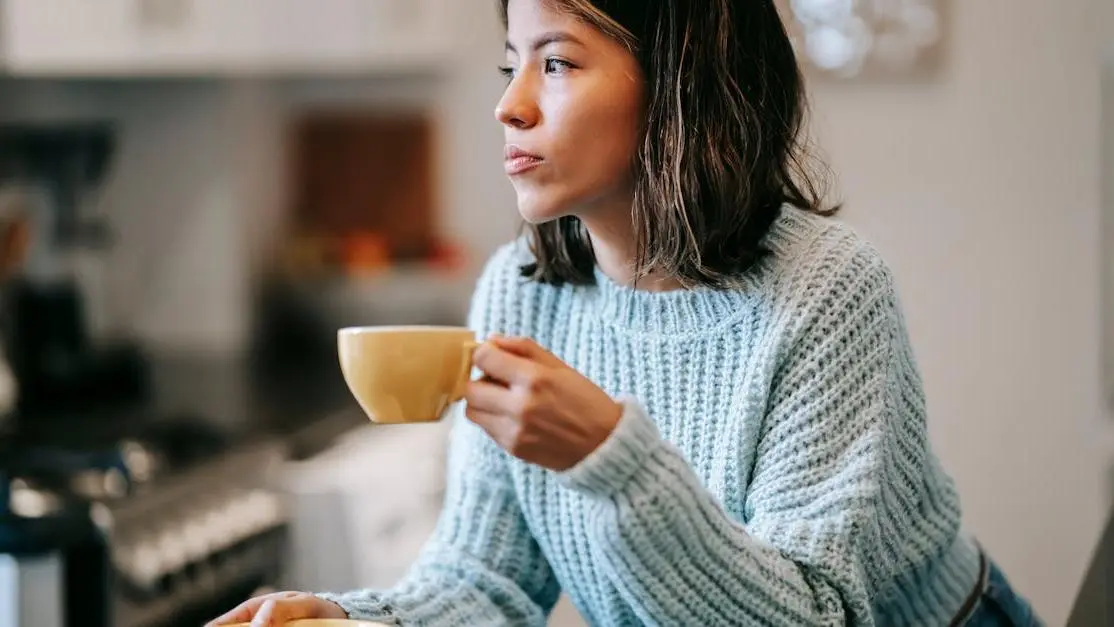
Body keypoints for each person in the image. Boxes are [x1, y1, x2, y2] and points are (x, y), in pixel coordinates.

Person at [209, 0, 1043, 625]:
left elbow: (815, 615)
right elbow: (485, 580)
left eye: (558, 64)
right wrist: (354, 620)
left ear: (680, 81)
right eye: (511, 65)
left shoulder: (827, 292)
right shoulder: (522, 292)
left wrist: (615, 457)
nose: (510, 105)